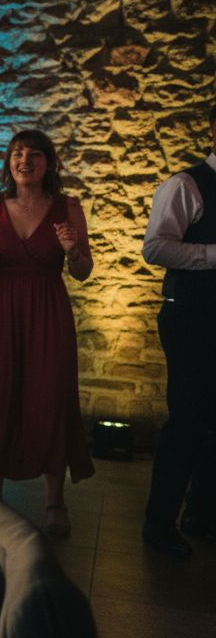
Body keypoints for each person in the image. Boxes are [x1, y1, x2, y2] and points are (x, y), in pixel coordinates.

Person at [0, 129, 94, 537]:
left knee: (50, 395)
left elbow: (83, 270)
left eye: (34, 155)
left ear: (48, 163)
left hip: (47, 310)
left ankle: (54, 500)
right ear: (9, 162)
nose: (25, 160)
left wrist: (73, 249)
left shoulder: (68, 208)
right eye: (17, 154)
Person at [140, 103, 216, 559]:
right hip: (191, 314)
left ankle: (202, 514)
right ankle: (159, 521)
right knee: (187, 419)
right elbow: (156, 247)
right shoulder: (186, 184)